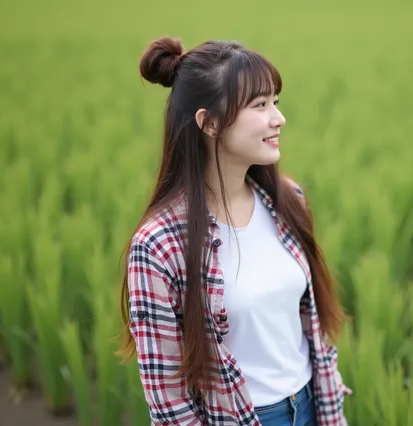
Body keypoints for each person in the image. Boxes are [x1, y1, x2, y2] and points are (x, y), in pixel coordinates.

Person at [115, 35, 352, 426]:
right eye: (260, 105)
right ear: (208, 123)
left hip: (312, 404)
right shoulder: (158, 244)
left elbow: (309, 330)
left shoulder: (288, 200)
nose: (279, 118)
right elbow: (169, 404)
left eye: (276, 102)